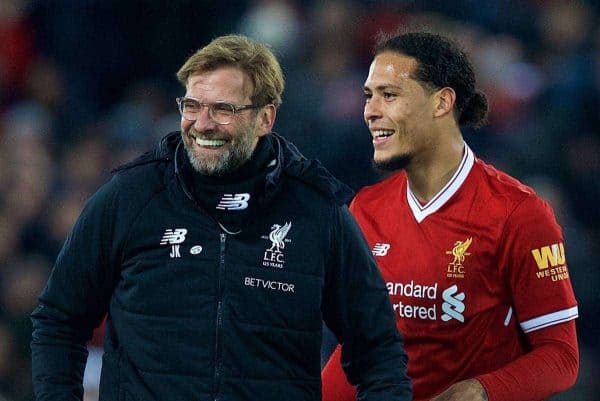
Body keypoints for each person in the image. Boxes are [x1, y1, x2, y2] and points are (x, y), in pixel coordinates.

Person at [30, 35, 411, 401]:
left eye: (223, 109)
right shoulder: (131, 196)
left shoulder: (317, 210)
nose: (202, 124)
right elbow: (58, 322)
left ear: (265, 118)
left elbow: (377, 350)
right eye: (192, 106)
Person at [321, 31, 579, 401]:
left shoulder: (519, 214)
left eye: (389, 95)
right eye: (369, 95)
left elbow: (561, 357)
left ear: (441, 102)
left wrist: (480, 391)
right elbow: (358, 347)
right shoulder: (365, 208)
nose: (370, 110)